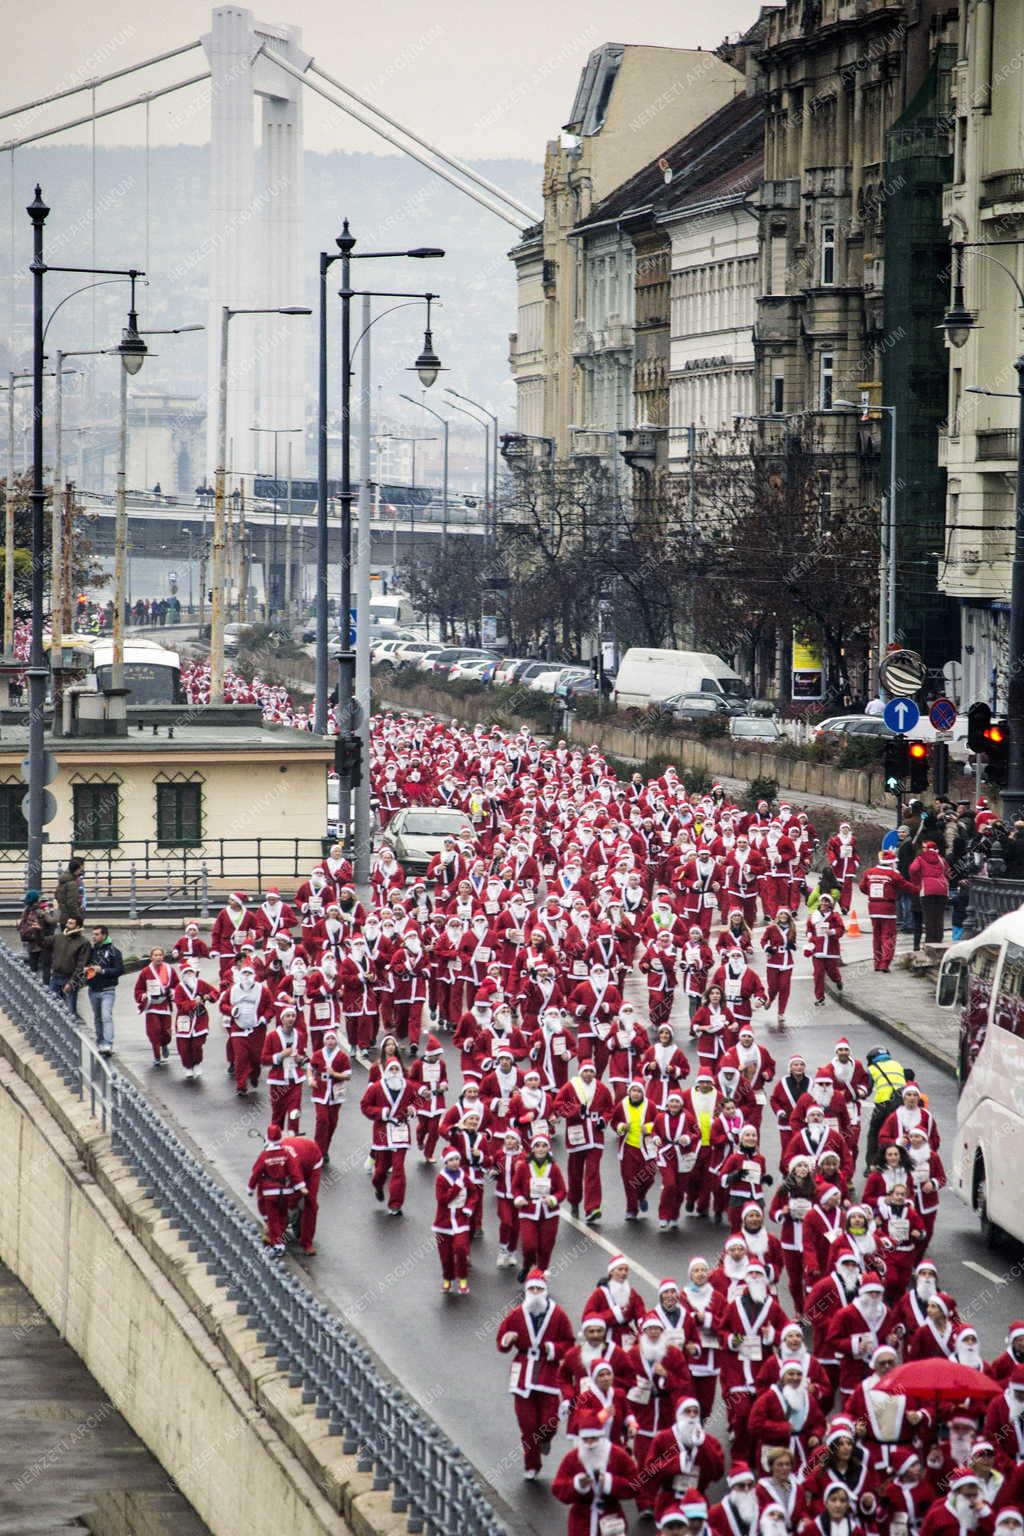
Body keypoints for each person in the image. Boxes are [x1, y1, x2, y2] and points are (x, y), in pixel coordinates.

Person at [496, 1269, 574, 1480]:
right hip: (523, 1374)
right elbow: (501, 1341)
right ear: (526, 1291)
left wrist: (552, 1349)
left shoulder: (558, 1314)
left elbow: (569, 1343)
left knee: (549, 1421)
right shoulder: (516, 1314)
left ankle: (546, 1438)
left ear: (545, 1291)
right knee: (527, 1425)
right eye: (532, 1289)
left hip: (547, 1372)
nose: (536, 1292)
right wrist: (507, 1340)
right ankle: (532, 1465)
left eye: (539, 1288)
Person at [551, 1406, 637, 1532]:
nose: (590, 1444)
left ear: (601, 1437)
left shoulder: (617, 1455)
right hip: (581, 1520)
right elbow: (558, 1488)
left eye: (594, 1438)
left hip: (612, 1516)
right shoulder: (572, 1458)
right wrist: (577, 1485)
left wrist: (610, 1482)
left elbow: (636, 1485)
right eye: (585, 1439)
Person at [85, 924, 124, 1055]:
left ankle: (108, 1044)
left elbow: (119, 970)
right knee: (97, 1017)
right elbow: (84, 965)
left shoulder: (114, 951)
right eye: (93, 934)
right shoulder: (91, 951)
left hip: (108, 989)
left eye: (96, 934)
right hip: (93, 989)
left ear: (104, 935)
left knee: (106, 1016)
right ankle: (100, 1042)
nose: (93, 937)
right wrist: (86, 970)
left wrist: (102, 970)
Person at [908, 841, 950, 947]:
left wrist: (917, 882)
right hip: (942, 889)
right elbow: (947, 871)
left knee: (928, 917)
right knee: (939, 917)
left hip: (927, 889)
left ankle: (930, 942)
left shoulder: (920, 858)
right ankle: (939, 940)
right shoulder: (941, 859)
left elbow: (913, 869)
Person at [50, 914, 90, 1015]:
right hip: (55, 976)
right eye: (67, 922)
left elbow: (81, 965)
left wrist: (72, 982)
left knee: (70, 1011)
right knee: (51, 1007)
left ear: (78, 926)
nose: (67, 925)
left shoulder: (83, 942)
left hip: (69, 978)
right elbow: (43, 943)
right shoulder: (59, 937)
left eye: (71, 923)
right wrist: (37, 931)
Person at [19, 889, 56, 982]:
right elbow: (52, 921)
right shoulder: (40, 911)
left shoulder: (26, 911)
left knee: (33, 967)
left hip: (31, 943)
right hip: (42, 941)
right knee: (46, 966)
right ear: (37, 900)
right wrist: (56, 910)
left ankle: (33, 987)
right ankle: (45, 987)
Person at [54, 858, 85, 926]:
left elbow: (56, 895)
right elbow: (72, 903)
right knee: (73, 935)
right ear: (76, 869)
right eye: (80, 869)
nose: (81, 871)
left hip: (62, 916)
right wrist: (78, 917)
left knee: (64, 935)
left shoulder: (62, 880)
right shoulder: (72, 884)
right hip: (70, 919)